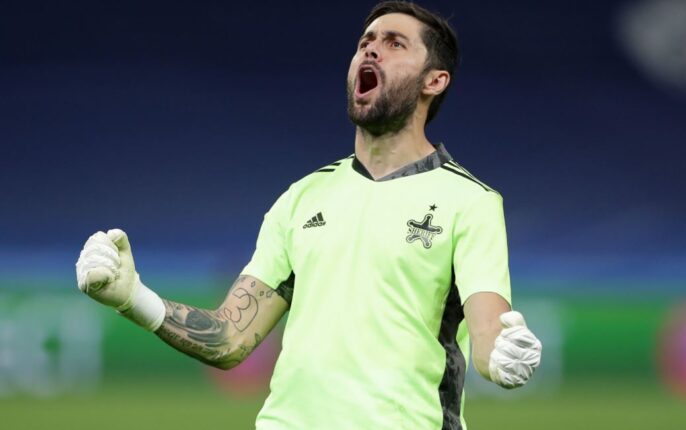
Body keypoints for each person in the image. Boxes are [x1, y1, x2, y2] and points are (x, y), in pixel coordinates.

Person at [75, 1, 542, 429]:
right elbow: (228, 338)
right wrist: (132, 296)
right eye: (365, 42)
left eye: (394, 43)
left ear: (433, 81)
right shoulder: (302, 198)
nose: (371, 50)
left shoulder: (470, 201)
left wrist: (502, 357)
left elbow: (489, 333)